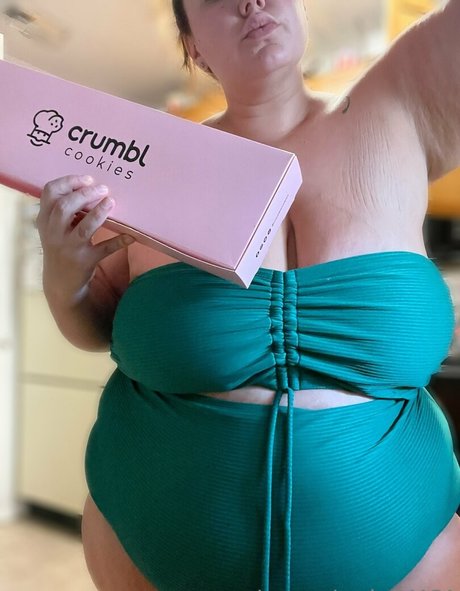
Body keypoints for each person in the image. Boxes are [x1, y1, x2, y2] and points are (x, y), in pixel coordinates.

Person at [36, 0, 460, 589]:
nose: (251, 1)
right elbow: (92, 328)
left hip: (410, 551)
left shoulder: (401, 105)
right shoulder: (147, 166)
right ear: (193, 48)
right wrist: (62, 274)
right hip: (151, 542)